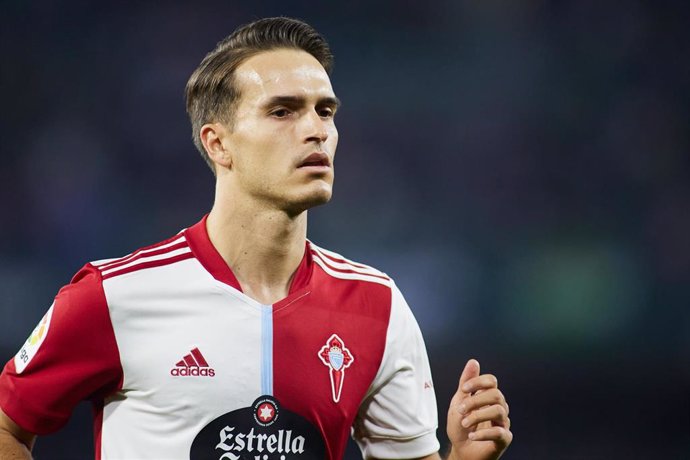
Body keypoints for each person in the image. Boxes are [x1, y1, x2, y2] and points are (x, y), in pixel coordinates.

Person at [0, 17, 512, 460]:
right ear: (218, 142)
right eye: (283, 111)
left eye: (325, 111)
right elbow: (8, 426)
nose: (316, 130)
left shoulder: (378, 306)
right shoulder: (112, 295)